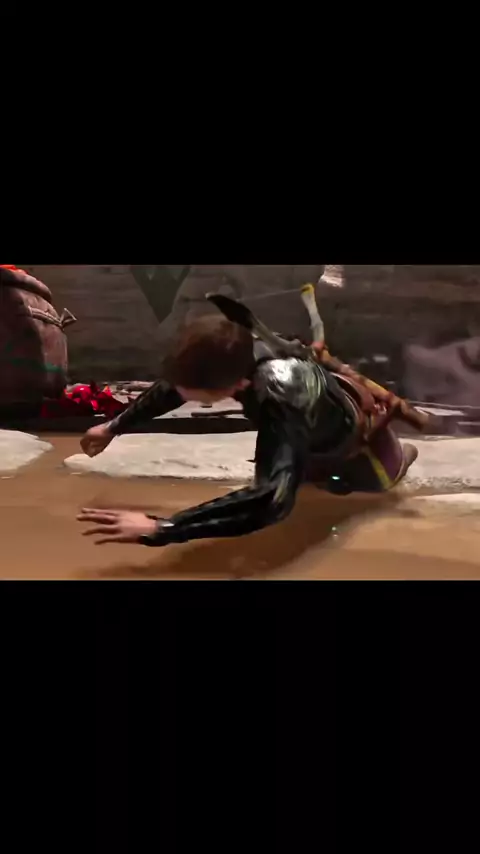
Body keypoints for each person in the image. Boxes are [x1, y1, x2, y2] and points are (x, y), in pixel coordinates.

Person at [77, 313, 419, 547]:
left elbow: (272, 502)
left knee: (343, 506)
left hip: (358, 457)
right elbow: (175, 387)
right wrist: (113, 426)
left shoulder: (279, 395)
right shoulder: (236, 350)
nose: (179, 396)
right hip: (309, 433)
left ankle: (403, 457)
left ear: (236, 385)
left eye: (190, 394)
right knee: (294, 478)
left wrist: (163, 527)